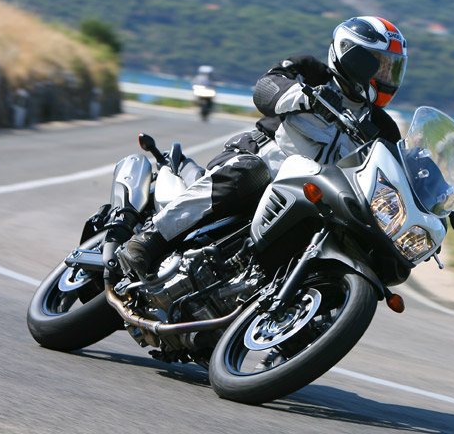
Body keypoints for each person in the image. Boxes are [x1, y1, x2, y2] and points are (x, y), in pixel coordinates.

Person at [118, 16, 409, 279]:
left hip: (309, 199)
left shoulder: (383, 128)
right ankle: (150, 238)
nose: (386, 76)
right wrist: (303, 97)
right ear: (353, 56)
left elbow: (399, 170)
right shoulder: (310, 71)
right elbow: (267, 87)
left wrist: (436, 198)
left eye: (392, 69)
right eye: (380, 65)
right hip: (261, 161)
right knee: (249, 172)